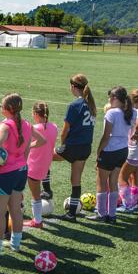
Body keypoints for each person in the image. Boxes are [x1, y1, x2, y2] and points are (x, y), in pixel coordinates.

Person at [0, 93, 44, 258]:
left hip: (3, 174)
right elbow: (34, 144)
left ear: (6, 109)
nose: (0, 108)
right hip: (20, 172)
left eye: (1, 105)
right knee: (16, 210)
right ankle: (15, 244)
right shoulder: (26, 124)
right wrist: (20, 162)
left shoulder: (4, 126)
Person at [51, 74, 96, 221]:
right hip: (85, 147)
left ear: (73, 87)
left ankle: (45, 191)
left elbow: (65, 130)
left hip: (73, 146)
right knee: (76, 180)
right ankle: (71, 213)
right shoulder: (91, 105)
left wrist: (63, 144)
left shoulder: (74, 105)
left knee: (44, 156)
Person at [88, 86, 133, 223]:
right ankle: (112, 215)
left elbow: (106, 136)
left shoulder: (111, 113)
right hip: (123, 150)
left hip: (110, 150)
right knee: (113, 182)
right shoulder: (130, 112)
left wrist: (98, 151)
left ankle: (101, 214)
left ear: (114, 98)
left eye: (110, 97)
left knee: (101, 182)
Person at [25, 102, 57, 227]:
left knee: (35, 195)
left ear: (35, 114)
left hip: (33, 165)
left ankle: (37, 221)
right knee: (34, 192)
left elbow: (31, 143)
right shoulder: (54, 126)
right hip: (45, 164)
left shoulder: (34, 128)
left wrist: (28, 146)